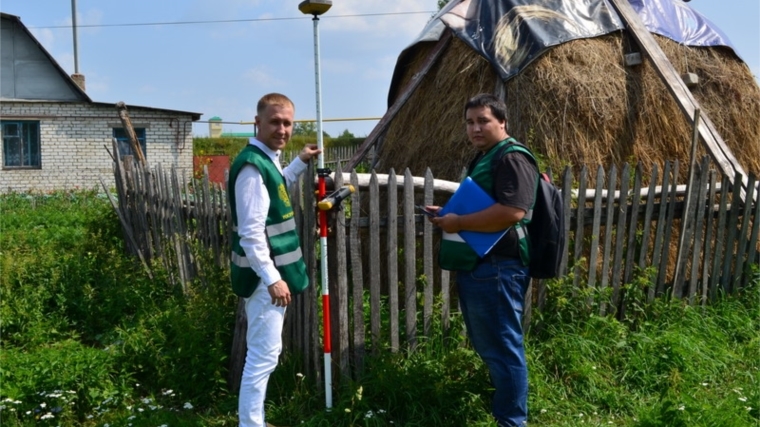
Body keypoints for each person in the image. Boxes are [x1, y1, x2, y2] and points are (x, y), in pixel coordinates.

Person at [428, 93, 538, 427]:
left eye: (483, 121)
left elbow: (512, 211)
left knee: (504, 349)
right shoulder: (489, 156)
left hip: (499, 268)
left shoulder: (511, 158)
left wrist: (458, 223)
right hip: (483, 267)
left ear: (502, 122)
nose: (475, 128)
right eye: (470, 122)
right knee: (493, 348)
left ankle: (512, 422)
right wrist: (449, 213)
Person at [227, 93, 321, 427]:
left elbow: (277, 186)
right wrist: (272, 278)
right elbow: (251, 234)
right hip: (262, 280)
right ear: (258, 122)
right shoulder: (252, 167)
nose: (282, 129)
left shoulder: (266, 160)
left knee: (266, 353)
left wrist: (300, 162)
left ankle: (253, 420)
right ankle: (250, 423)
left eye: (287, 123)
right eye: (275, 122)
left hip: (266, 276)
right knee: (263, 355)